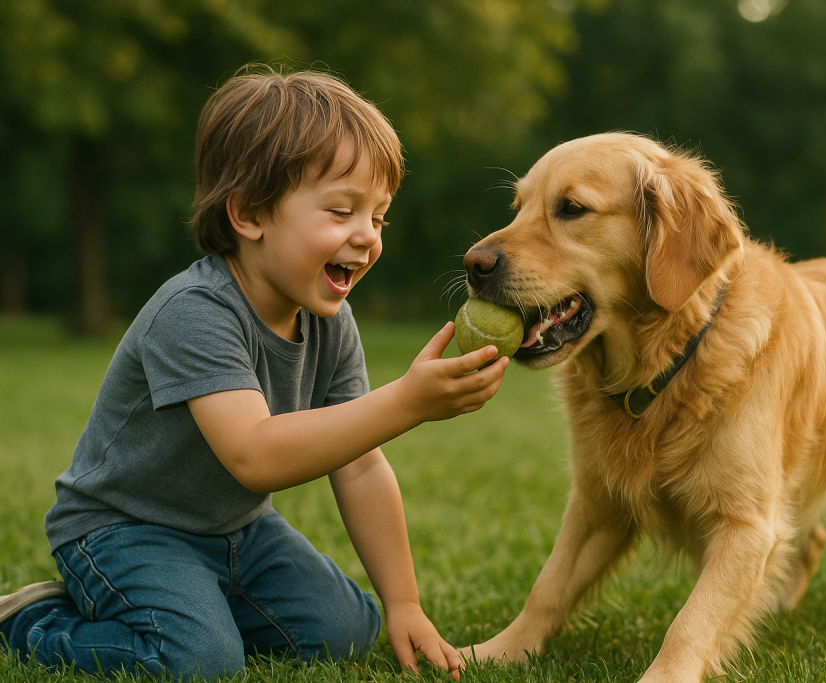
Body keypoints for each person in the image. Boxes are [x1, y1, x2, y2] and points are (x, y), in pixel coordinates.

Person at [0, 66, 508, 679]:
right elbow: (255, 455)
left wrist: (404, 604)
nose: (367, 238)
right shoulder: (194, 312)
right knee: (199, 661)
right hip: (124, 531)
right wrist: (408, 402)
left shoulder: (329, 320)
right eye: (342, 211)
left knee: (346, 631)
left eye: (378, 218)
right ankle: (30, 622)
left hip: (237, 532)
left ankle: (196, 601)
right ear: (248, 214)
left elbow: (361, 461)